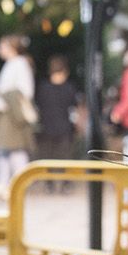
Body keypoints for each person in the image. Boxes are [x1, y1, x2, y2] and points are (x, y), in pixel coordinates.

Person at [0, 34, 37, 200]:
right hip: (5, 113)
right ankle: (4, 182)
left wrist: (1, 96)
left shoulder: (19, 64)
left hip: (12, 114)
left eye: (3, 46)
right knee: (4, 149)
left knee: (15, 149)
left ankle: (17, 184)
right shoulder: (12, 64)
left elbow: (24, 92)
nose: (0, 49)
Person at [34, 54, 83, 193]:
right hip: (65, 128)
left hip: (46, 127)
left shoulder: (43, 87)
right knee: (66, 158)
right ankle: (66, 184)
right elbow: (74, 109)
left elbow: (38, 106)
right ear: (65, 71)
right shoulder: (70, 87)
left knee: (47, 157)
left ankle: (49, 184)